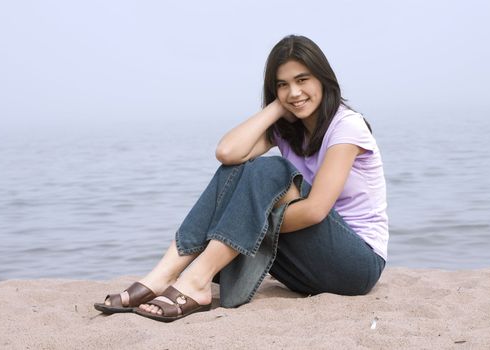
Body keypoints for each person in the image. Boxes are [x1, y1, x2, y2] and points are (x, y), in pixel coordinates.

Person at [94, 34, 388, 323]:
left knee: (270, 170)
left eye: (302, 80)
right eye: (282, 85)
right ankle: (163, 274)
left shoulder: (347, 126)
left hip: (357, 263)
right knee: (236, 172)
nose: (294, 93)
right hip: (312, 264)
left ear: (323, 78)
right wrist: (275, 107)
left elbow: (315, 210)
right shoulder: (289, 129)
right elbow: (227, 152)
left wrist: (245, 220)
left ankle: (196, 281)